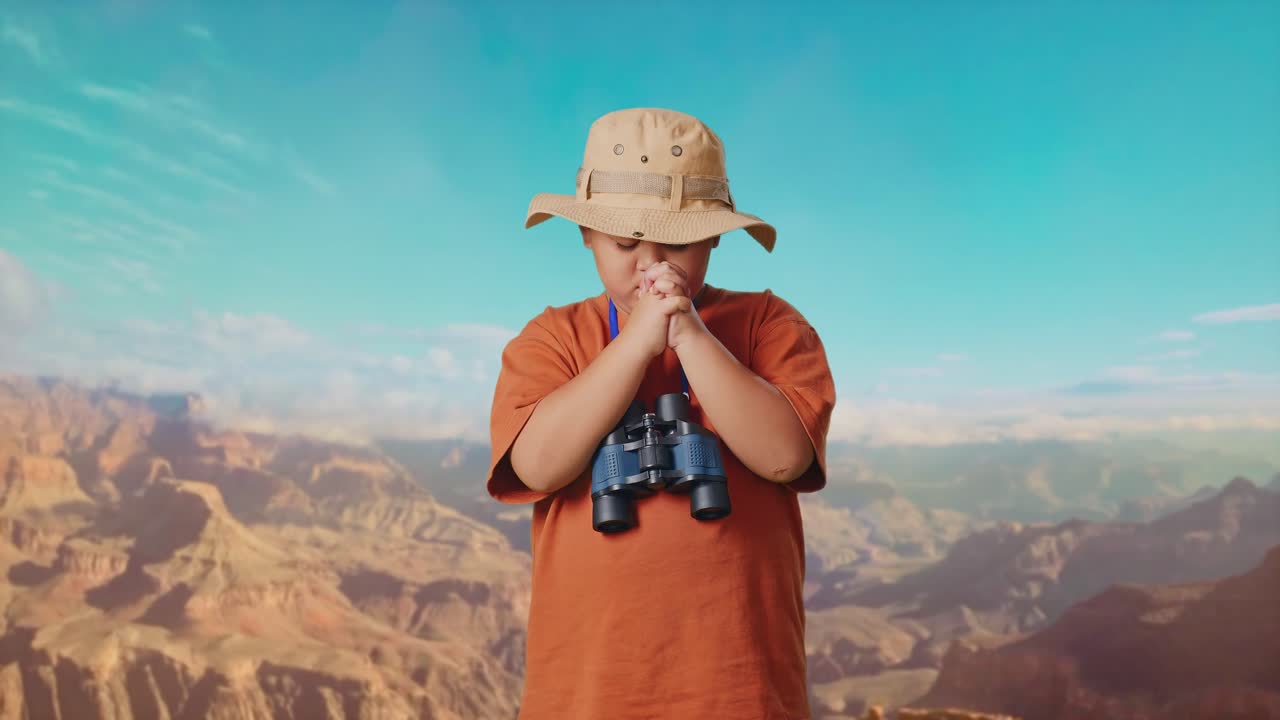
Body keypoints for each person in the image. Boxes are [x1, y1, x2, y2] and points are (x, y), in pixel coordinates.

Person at [486, 107, 836, 719]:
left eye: (677, 242)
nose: (651, 265)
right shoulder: (552, 339)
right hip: (589, 692)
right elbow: (538, 466)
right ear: (587, 235)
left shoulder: (769, 325)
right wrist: (635, 345)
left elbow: (784, 457)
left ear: (714, 238)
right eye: (625, 243)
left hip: (739, 688)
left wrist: (690, 335)